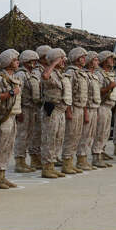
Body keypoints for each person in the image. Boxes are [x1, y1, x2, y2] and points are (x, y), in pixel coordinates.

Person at [0, 49, 22, 189]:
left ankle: (2, 176)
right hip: (3, 117)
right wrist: (11, 93)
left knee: (8, 148)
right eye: (15, 60)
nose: (17, 62)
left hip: (13, 116)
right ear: (8, 62)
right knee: (0, 147)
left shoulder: (15, 78)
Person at [40, 48, 69, 178]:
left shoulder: (60, 74)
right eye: (61, 59)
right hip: (52, 110)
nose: (63, 61)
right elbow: (45, 76)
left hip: (61, 110)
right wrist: (53, 63)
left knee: (58, 138)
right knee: (49, 139)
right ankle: (47, 168)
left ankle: (52, 164)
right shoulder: (49, 72)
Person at [62, 47, 89, 174]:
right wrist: (68, 110)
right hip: (73, 107)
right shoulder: (71, 72)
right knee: (71, 135)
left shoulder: (81, 73)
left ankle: (71, 161)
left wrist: (85, 111)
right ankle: (66, 163)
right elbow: (68, 92)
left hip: (80, 107)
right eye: (82, 57)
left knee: (77, 136)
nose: (84, 59)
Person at [14, 50, 41, 173]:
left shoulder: (32, 74)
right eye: (32, 61)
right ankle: (19, 161)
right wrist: (19, 111)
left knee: (29, 135)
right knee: (22, 135)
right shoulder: (21, 74)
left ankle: (26, 160)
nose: (34, 63)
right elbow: (18, 94)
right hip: (24, 108)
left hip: (32, 109)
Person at [93, 51, 116, 168]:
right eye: (110, 58)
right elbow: (97, 91)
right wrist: (109, 87)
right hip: (102, 106)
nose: (113, 60)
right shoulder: (99, 74)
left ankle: (101, 152)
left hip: (109, 106)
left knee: (106, 132)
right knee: (100, 132)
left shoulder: (110, 74)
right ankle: (96, 156)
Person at [78, 51, 101, 171]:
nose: (98, 62)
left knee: (91, 135)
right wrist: (85, 112)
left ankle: (85, 159)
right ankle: (81, 160)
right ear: (90, 62)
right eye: (95, 60)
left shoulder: (94, 76)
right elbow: (84, 96)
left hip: (95, 108)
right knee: (85, 135)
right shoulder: (85, 76)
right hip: (87, 108)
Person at [30, 45, 51, 169]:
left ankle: (43, 156)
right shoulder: (37, 72)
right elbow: (37, 89)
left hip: (45, 105)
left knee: (45, 133)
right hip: (36, 106)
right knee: (36, 133)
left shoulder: (48, 69)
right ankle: (35, 157)